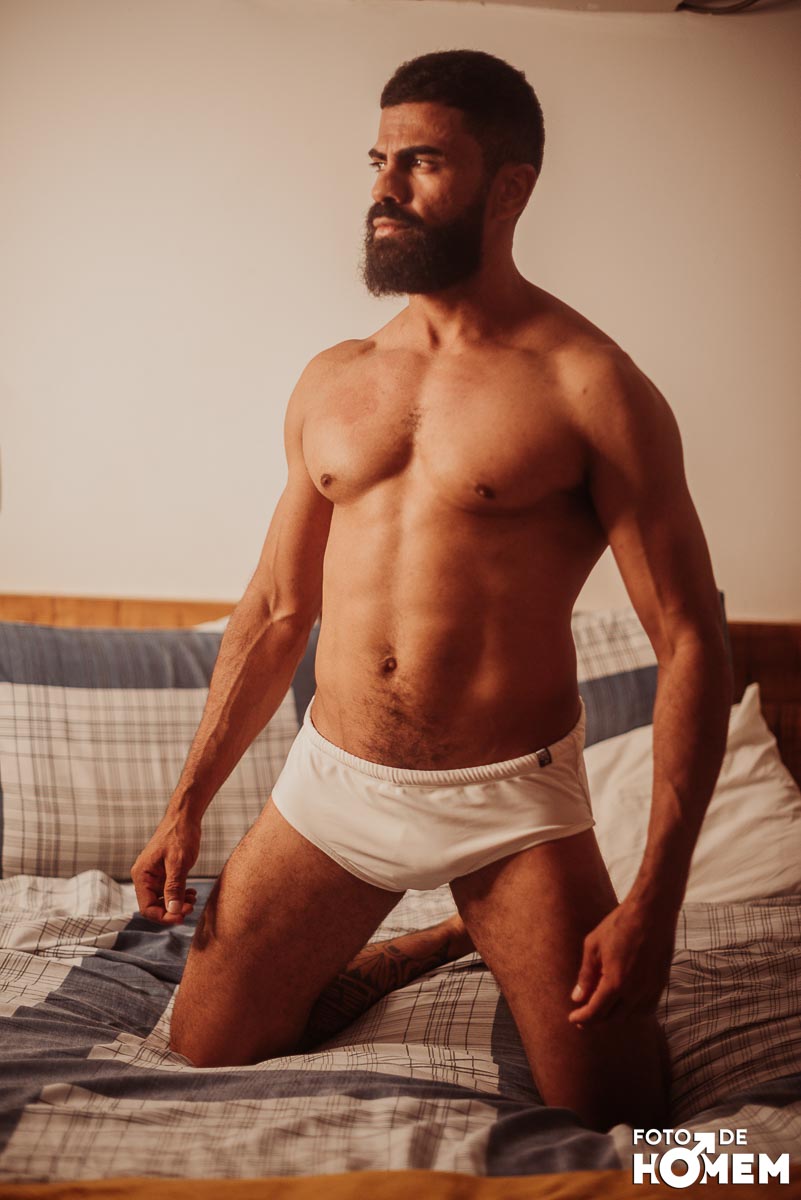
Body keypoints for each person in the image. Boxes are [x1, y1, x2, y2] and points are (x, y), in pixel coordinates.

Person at [131, 49, 733, 1132]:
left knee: (619, 1123)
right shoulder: (335, 378)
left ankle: (472, 926)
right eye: (378, 161)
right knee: (198, 1053)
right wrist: (186, 807)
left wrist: (655, 900)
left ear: (510, 187)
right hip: (337, 788)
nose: (384, 189)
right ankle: (417, 947)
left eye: (421, 163)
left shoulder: (590, 387)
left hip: (511, 806)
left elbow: (691, 639)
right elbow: (275, 610)